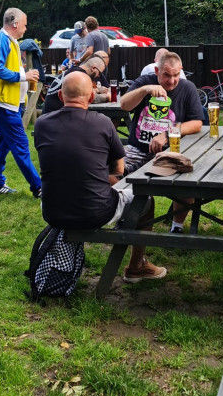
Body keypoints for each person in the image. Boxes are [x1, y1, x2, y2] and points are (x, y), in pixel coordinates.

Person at [34, 71, 166, 282]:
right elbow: (118, 171)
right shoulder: (103, 123)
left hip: (51, 210)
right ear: (91, 97)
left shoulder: (42, 124)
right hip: (94, 213)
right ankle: (136, 266)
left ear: (60, 97)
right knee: (145, 201)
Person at [120, 51, 204, 234]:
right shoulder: (144, 82)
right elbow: (124, 105)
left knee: (188, 180)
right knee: (113, 171)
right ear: (157, 70)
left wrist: (168, 133)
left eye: (176, 75)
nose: (172, 80)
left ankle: (177, 227)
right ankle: (123, 216)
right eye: (167, 75)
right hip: (138, 149)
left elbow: (197, 122)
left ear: (181, 71)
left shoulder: (188, 88)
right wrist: (145, 90)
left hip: (170, 152)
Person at [0, 8, 42, 197]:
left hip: (10, 102)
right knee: (20, 144)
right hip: (4, 103)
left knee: (2, 142)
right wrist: (23, 76)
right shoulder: (1, 40)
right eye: (24, 24)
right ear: (15, 23)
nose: (26, 28)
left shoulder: (11, 41)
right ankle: (39, 187)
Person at [41, 55, 108, 115]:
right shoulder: (79, 76)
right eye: (99, 73)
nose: (99, 75)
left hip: (50, 117)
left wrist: (98, 90)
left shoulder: (74, 71)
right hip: (55, 120)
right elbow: (92, 98)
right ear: (93, 68)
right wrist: (108, 97)